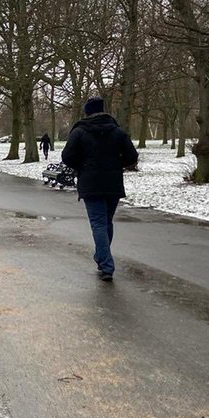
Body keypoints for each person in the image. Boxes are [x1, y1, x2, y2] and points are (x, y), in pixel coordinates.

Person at [60, 97, 138, 282]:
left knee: (99, 224)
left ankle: (106, 264)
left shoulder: (79, 131)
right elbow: (132, 156)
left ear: (87, 112)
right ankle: (102, 258)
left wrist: (83, 165)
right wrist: (116, 163)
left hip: (90, 182)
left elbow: (67, 156)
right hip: (113, 183)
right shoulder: (118, 131)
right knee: (106, 223)